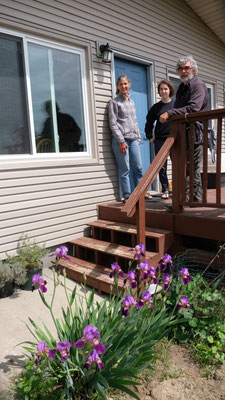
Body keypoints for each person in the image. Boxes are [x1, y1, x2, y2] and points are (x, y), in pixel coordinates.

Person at [159, 56, 209, 203]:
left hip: (195, 133)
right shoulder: (182, 87)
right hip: (184, 133)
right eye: (180, 69)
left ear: (193, 69)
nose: (183, 71)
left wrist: (169, 113)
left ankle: (189, 201)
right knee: (186, 168)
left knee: (192, 168)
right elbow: (178, 108)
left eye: (186, 68)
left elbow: (194, 108)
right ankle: (192, 200)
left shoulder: (198, 85)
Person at [108, 74, 152, 202]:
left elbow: (135, 121)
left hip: (133, 139)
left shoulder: (131, 102)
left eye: (125, 84)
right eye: (121, 84)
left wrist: (138, 137)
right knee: (125, 168)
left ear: (129, 85)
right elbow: (113, 123)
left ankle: (141, 192)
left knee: (138, 167)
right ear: (118, 86)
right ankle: (127, 195)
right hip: (121, 141)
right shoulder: (114, 102)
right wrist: (121, 141)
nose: (123, 86)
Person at [145, 79, 175, 199]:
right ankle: (166, 189)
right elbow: (149, 123)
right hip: (160, 140)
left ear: (170, 90)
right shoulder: (156, 107)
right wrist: (150, 137)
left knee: (177, 164)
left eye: (165, 89)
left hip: (174, 138)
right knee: (161, 166)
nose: (163, 91)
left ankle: (177, 188)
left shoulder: (176, 105)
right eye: (161, 89)